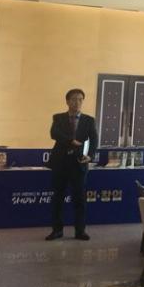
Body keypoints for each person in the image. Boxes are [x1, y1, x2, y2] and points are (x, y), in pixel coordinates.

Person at [46, 88, 98, 241]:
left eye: (80, 99)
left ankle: (80, 231)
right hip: (60, 163)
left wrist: (90, 155)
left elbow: (94, 139)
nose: (77, 102)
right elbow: (54, 133)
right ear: (67, 101)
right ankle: (57, 230)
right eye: (74, 99)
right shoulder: (58, 117)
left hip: (79, 164)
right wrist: (71, 141)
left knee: (79, 199)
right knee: (58, 198)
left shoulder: (89, 120)